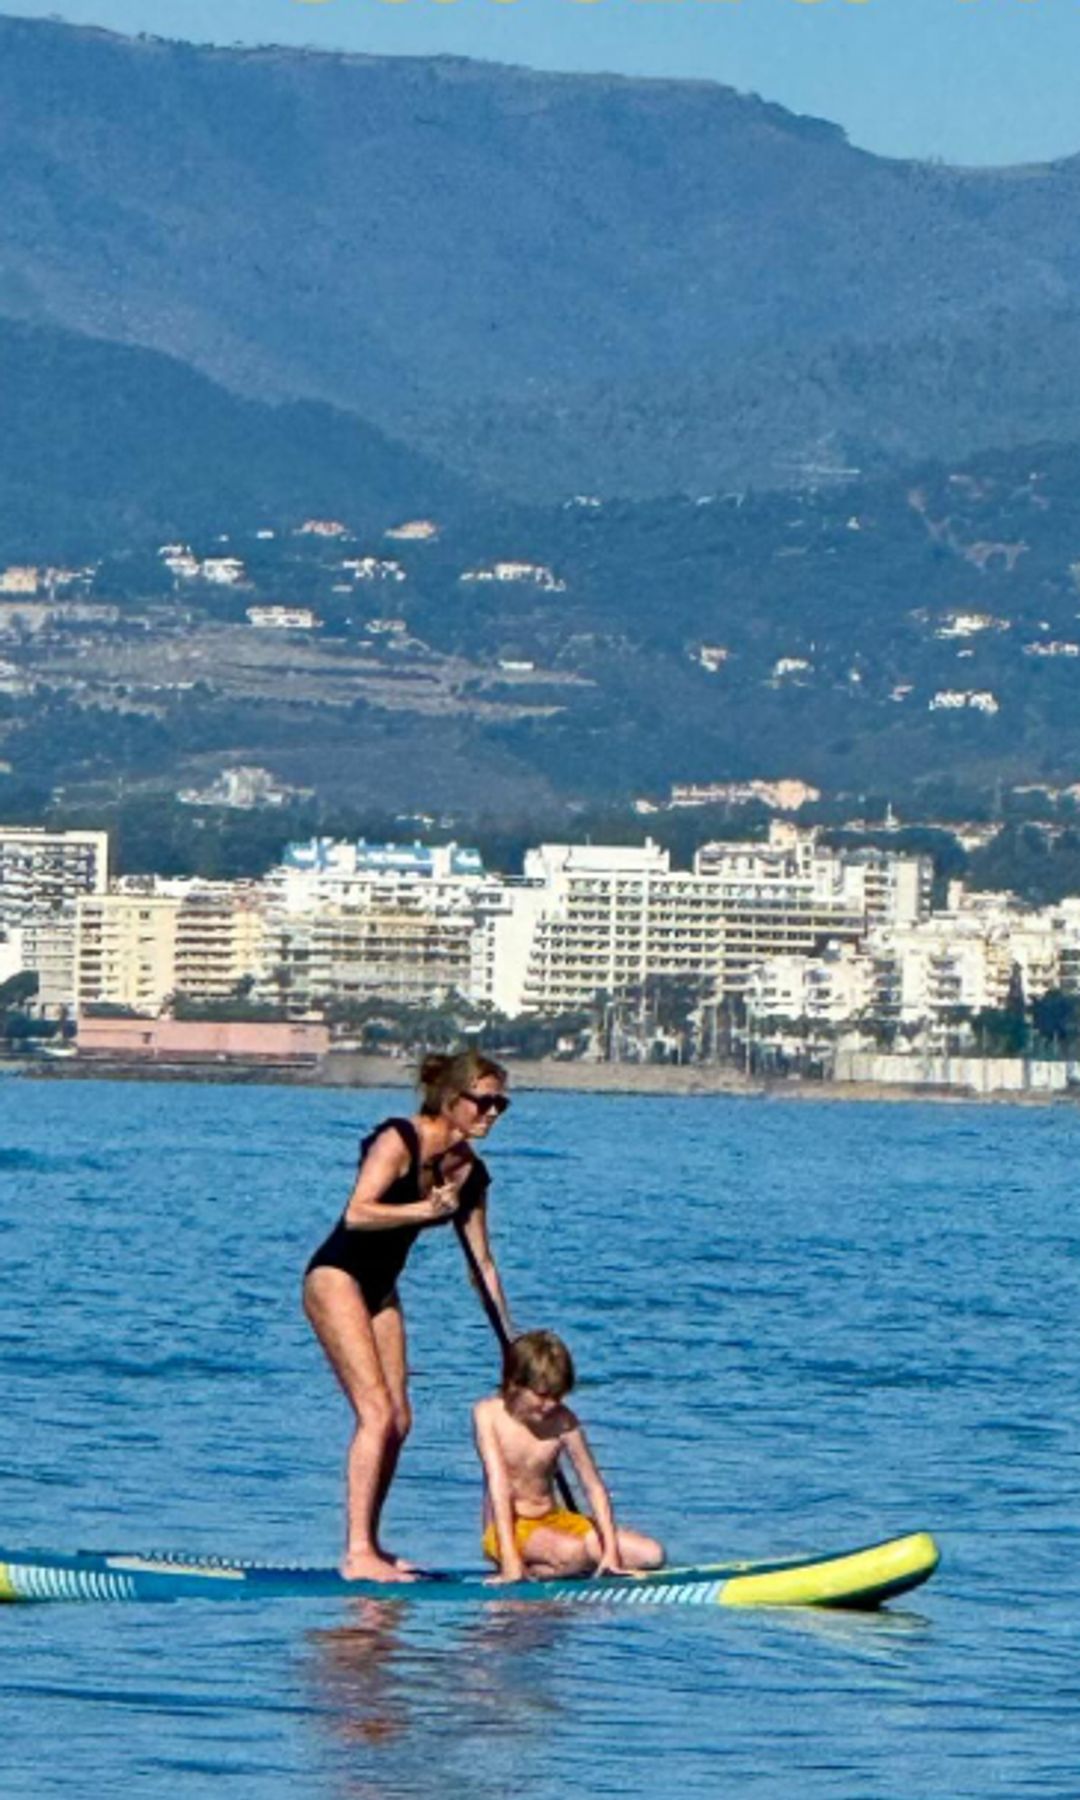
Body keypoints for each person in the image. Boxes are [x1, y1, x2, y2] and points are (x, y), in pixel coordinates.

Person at [304, 1049, 512, 1582]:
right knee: (375, 1413)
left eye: (501, 1105)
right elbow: (358, 1212)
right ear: (451, 1099)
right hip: (336, 1277)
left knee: (399, 1419)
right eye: (484, 1102)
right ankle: (356, 1554)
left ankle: (372, 1544)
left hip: (381, 1289)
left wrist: (512, 1347)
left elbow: (483, 1265)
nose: (492, 1113)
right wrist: (425, 1210)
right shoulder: (398, 1139)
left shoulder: (470, 1173)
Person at [473, 1329, 665, 1583]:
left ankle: (552, 1568)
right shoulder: (488, 1415)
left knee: (651, 1555)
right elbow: (499, 1484)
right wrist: (509, 1560)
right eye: (542, 1396)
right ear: (514, 1384)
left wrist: (611, 1555)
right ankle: (541, 1565)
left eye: (558, 1396)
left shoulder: (564, 1421)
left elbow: (594, 1487)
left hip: (556, 1520)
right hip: (509, 1526)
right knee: (577, 1551)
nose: (551, 1405)